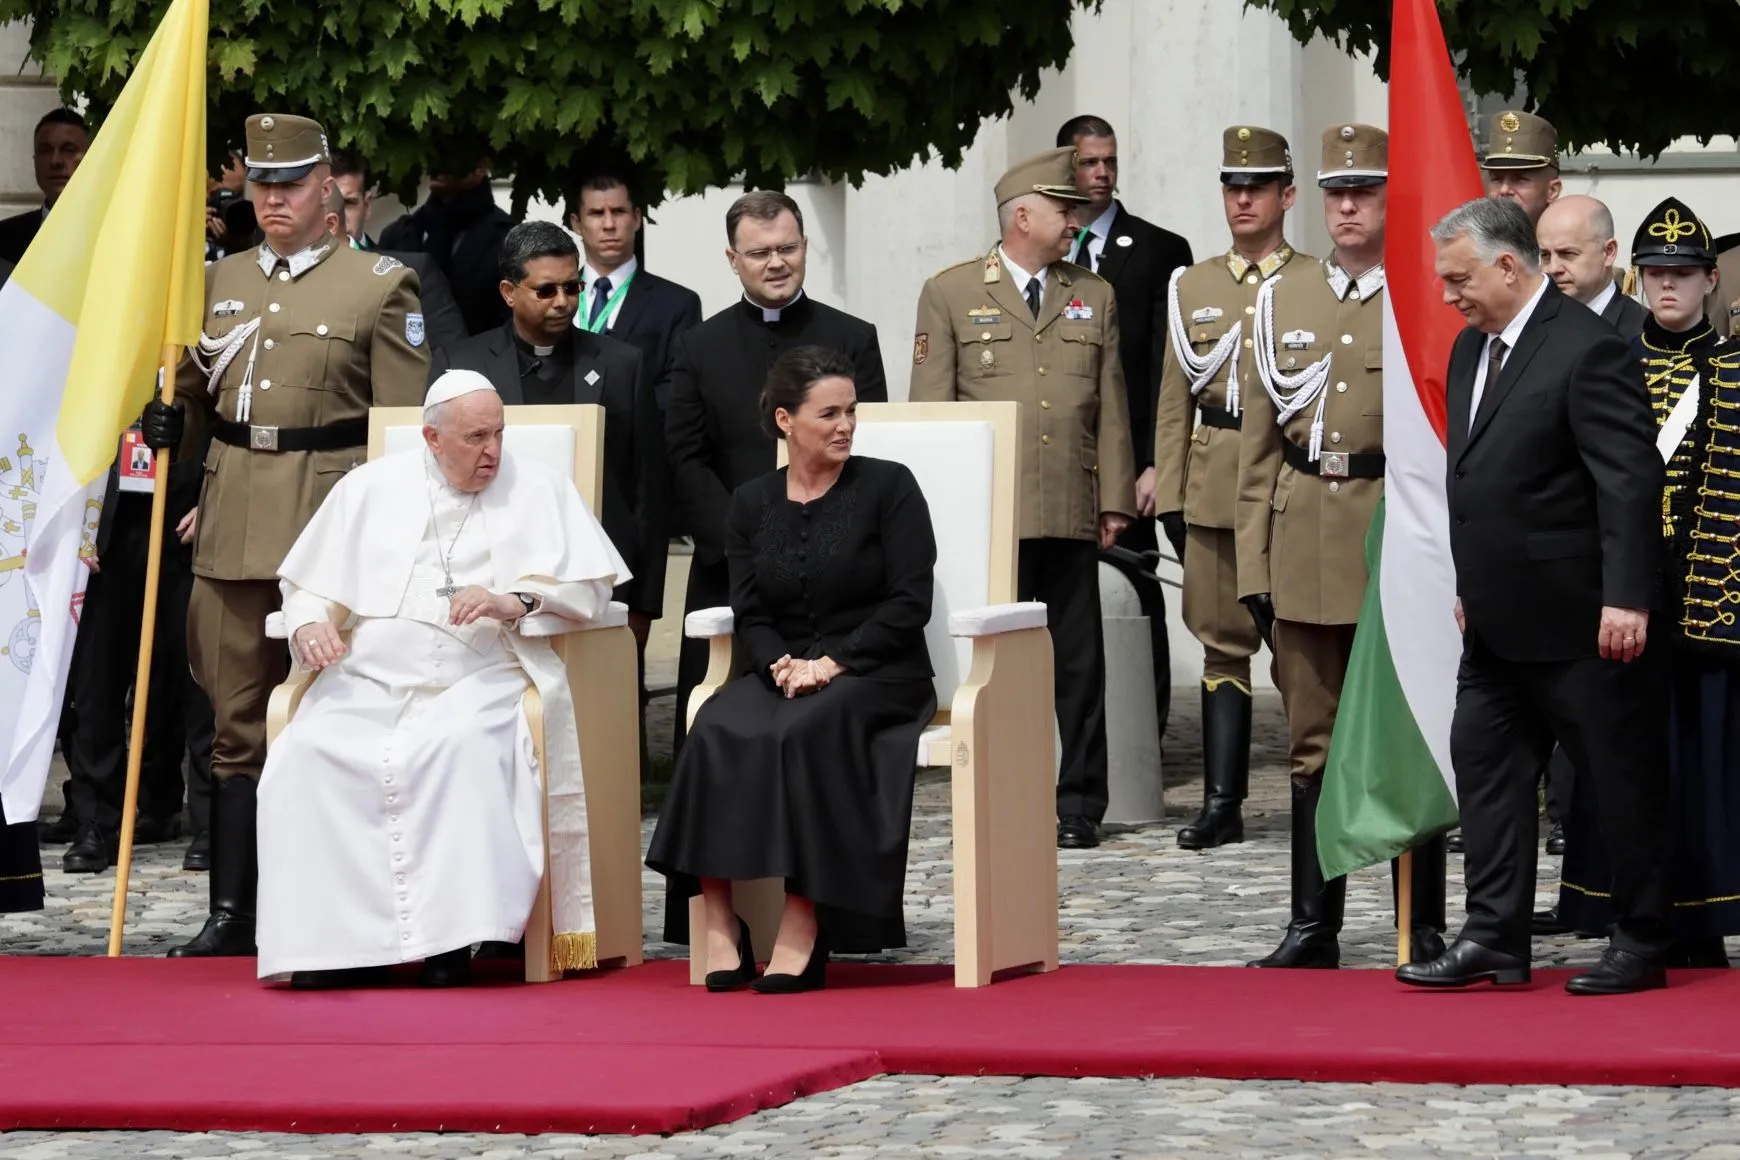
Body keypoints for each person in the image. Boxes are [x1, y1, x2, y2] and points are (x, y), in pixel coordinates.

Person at [256, 371, 627, 988]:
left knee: (455, 750)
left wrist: (515, 599)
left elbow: (590, 586)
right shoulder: (368, 487)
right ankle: (337, 947)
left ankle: (450, 945)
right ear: (431, 438)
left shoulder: (539, 487)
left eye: (499, 434)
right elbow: (305, 583)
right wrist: (308, 625)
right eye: (476, 437)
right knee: (307, 752)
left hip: (481, 673)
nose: (494, 452)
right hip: (368, 676)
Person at [165, 112, 431, 959]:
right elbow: (203, 395)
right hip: (234, 509)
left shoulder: (380, 284)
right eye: (262, 184)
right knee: (233, 720)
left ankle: (332, 910)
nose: (273, 199)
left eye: (290, 184)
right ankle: (235, 915)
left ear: (328, 189)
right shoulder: (221, 278)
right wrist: (171, 422)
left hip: (329, 522)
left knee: (332, 716)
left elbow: (398, 431)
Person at [1396, 196, 1671, 996]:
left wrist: (1627, 598)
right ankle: (1494, 938)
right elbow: (1477, 476)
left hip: (1583, 621)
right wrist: (1471, 583)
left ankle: (1644, 938)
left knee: (1618, 784)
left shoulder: (1587, 349)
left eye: (1459, 279)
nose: (1449, 295)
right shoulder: (1469, 350)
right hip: (1497, 624)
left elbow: (1628, 481)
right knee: (1485, 771)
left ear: (1508, 266)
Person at [647, 346, 936, 993]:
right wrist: (782, 663)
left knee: (803, 731)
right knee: (713, 725)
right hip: (783, 669)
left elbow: (909, 601)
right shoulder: (751, 503)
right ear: (785, 420)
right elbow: (749, 608)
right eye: (828, 413)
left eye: (851, 411)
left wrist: (831, 663)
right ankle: (720, 918)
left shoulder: (890, 487)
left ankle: (804, 923)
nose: (846, 425)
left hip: (878, 671)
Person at [1237, 124, 1447, 968]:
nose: (1348, 204)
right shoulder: (1282, 299)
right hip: (1301, 535)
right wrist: (1253, 562)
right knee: (1310, 738)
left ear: (1392, 197)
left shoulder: (1422, 294)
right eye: (1335, 191)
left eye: (1364, 189)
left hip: (1388, 530)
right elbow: (1256, 447)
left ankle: (1421, 921)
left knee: (1404, 734)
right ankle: (1312, 921)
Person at [909, 145, 1135, 849]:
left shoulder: (1092, 294)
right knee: (994, 669)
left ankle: (1080, 804)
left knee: (1079, 666)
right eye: (1064, 210)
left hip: (1068, 505)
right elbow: (932, 413)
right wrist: (941, 513)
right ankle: (1000, 793)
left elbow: (1113, 408)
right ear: (1023, 216)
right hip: (989, 520)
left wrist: (1116, 497)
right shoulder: (949, 293)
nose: (1074, 221)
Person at [1555, 197, 1740, 967]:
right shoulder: (1611, 361)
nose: (1669, 288)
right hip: (1628, 601)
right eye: (1656, 274)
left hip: (1711, 604)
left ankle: (1701, 922)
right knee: (1632, 763)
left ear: (1708, 281)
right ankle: (1634, 915)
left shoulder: (1732, 370)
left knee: (1706, 767)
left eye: (1684, 275)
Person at [665, 191, 887, 759]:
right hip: (729, 563)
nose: (776, 262)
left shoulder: (852, 337)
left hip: (836, 564)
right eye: (759, 252)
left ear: (805, 248)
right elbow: (686, 458)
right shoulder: (698, 346)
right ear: (732, 259)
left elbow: (867, 451)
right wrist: (743, 546)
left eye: (787, 248)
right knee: (714, 716)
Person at [1153, 125, 1313, 850]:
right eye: (1231, 185)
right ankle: (1222, 802)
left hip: (1290, 486)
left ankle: (1324, 791)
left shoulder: (1313, 282)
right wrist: (1176, 495)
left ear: (1287, 194)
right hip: (1215, 482)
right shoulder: (1194, 285)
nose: (1241, 198)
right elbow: (1172, 396)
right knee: (1222, 645)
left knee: (1304, 647)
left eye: (1257, 186)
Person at [431, 222, 664, 653]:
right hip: (493, 586)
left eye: (572, 287)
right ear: (508, 292)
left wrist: (644, 604)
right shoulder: (461, 365)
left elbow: (647, 489)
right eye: (546, 290)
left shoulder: (622, 364)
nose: (563, 302)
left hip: (598, 584)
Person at [57, 403, 211, 874]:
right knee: (96, 683)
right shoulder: (98, 335)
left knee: (200, 679)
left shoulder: (202, 336)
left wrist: (220, 498)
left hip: (188, 512)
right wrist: (75, 522)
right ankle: (96, 822)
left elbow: (234, 417)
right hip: (107, 519)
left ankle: (212, 822)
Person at [1056, 115, 1194, 553]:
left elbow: (1166, 366)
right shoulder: (1042, 252)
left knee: (1134, 590)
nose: (1103, 173)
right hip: (1059, 462)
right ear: (1065, 165)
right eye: (1090, 162)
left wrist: (1157, 463)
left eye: (1110, 161)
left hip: (1130, 464)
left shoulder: (1161, 249)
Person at [565, 167, 703, 421]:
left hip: (641, 449)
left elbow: (677, 390)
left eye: (618, 212)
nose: (609, 224)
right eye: (596, 213)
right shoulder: (555, 296)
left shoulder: (678, 304)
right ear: (576, 223)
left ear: (637, 218)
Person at [327, 154, 469, 351]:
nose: (337, 216)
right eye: (325, 205)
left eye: (348, 204)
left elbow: (452, 359)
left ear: (366, 206)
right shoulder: (277, 273)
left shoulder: (413, 273)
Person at [378, 161, 515, 336]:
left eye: (450, 155)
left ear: (481, 168)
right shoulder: (399, 233)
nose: (438, 164)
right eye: (434, 153)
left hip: (476, 357)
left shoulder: (506, 238)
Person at [1538, 195, 1647, 339]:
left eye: (1568, 254)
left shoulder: (1645, 332)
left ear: (1609, 252)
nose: (1552, 268)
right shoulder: (1531, 323)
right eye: (1545, 255)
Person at [0, 108, 88, 264]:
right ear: (34, 159)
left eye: (69, 150)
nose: (56, 161)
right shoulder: (4, 238)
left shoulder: (119, 234)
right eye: (46, 150)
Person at [1481, 110, 1561, 226]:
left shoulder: (1571, 242)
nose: (1504, 190)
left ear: (1552, 191)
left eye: (1519, 179)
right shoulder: (1471, 241)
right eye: (1496, 179)